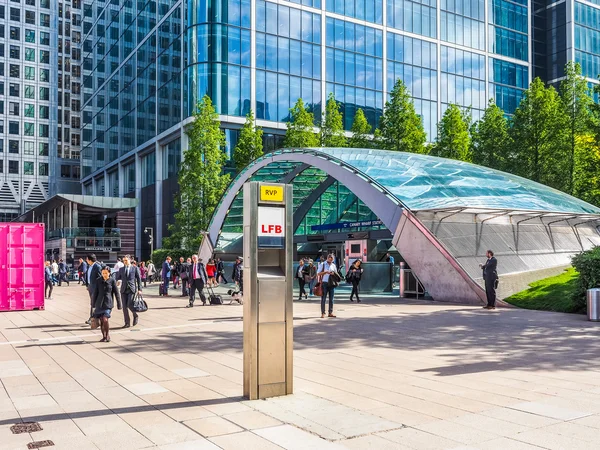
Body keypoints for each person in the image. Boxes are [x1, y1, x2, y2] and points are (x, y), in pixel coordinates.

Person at [92, 265, 122, 342]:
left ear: (109, 273)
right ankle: (104, 336)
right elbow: (95, 293)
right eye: (103, 273)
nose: (104, 275)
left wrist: (119, 304)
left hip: (108, 303)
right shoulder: (98, 280)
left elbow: (116, 293)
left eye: (106, 273)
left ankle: (107, 334)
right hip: (99, 303)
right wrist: (93, 304)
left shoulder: (112, 281)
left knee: (105, 319)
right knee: (101, 320)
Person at [116, 255, 143, 327]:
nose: (124, 262)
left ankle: (135, 315)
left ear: (130, 260)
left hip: (131, 289)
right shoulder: (121, 269)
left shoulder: (135, 268)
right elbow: (117, 277)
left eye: (126, 260)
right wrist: (116, 281)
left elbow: (139, 279)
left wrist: (140, 289)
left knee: (129, 304)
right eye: (123, 260)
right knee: (124, 307)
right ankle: (127, 323)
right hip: (123, 289)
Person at [317, 254, 338, 318]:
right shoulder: (323, 264)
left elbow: (336, 274)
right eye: (330, 258)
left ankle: (330, 312)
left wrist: (333, 273)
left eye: (332, 259)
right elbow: (318, 273)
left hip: (332, 283)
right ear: (327, 258)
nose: (331, 260)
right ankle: (323, 313)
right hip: (324, 283)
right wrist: (325, 272)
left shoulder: (333, 265)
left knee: (331, 299)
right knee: (323, 299)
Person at [86, 254, 102, 324]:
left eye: (87, 259)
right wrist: (87, 285)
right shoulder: (89, 266)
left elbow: (100, 278)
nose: (86, 261)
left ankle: (93, 318)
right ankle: (95, 318)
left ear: (90, 260)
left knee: (93, 303)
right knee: (93, 303)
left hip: (95, 288)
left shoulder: (97, 267)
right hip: (90, 287)